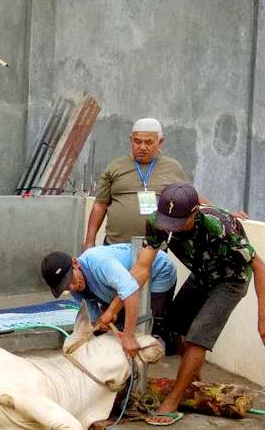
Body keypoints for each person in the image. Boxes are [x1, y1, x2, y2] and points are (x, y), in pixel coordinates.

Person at [136, 183, 265, 426]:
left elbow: (259, 266)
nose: (171, 227)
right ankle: (194, 384)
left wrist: (263, 318)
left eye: (179, 222)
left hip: (231, 279)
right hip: (202, 275)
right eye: (168, 222)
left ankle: (173, 400)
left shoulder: (221, 227)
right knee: (173, 325)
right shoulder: (156, 221)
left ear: (196, 212)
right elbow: (142, 267)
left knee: (199, 336)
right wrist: (116, 306)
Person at [41, 243, 177, 356]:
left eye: (71, 280)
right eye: (65, 287)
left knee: (150, 326)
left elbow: (131, 291)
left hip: (158, 269)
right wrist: (99, 323)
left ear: (75, 263)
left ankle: (170, 341)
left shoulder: (100, 262)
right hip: (125, 284)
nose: (72, 287)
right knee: (120, 326)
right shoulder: (74, 287)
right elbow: (94, 318)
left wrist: (128, 335)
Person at [83, 118, 190, 250]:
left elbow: (189, 201)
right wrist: (89, 241)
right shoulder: (115, 167)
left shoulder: (172, 168)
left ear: (160, 142)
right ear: (131, 140)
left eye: (149, 142)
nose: (142, 147)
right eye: (137, 141)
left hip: (154, 249)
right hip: (115, 247)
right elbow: (100, 205)